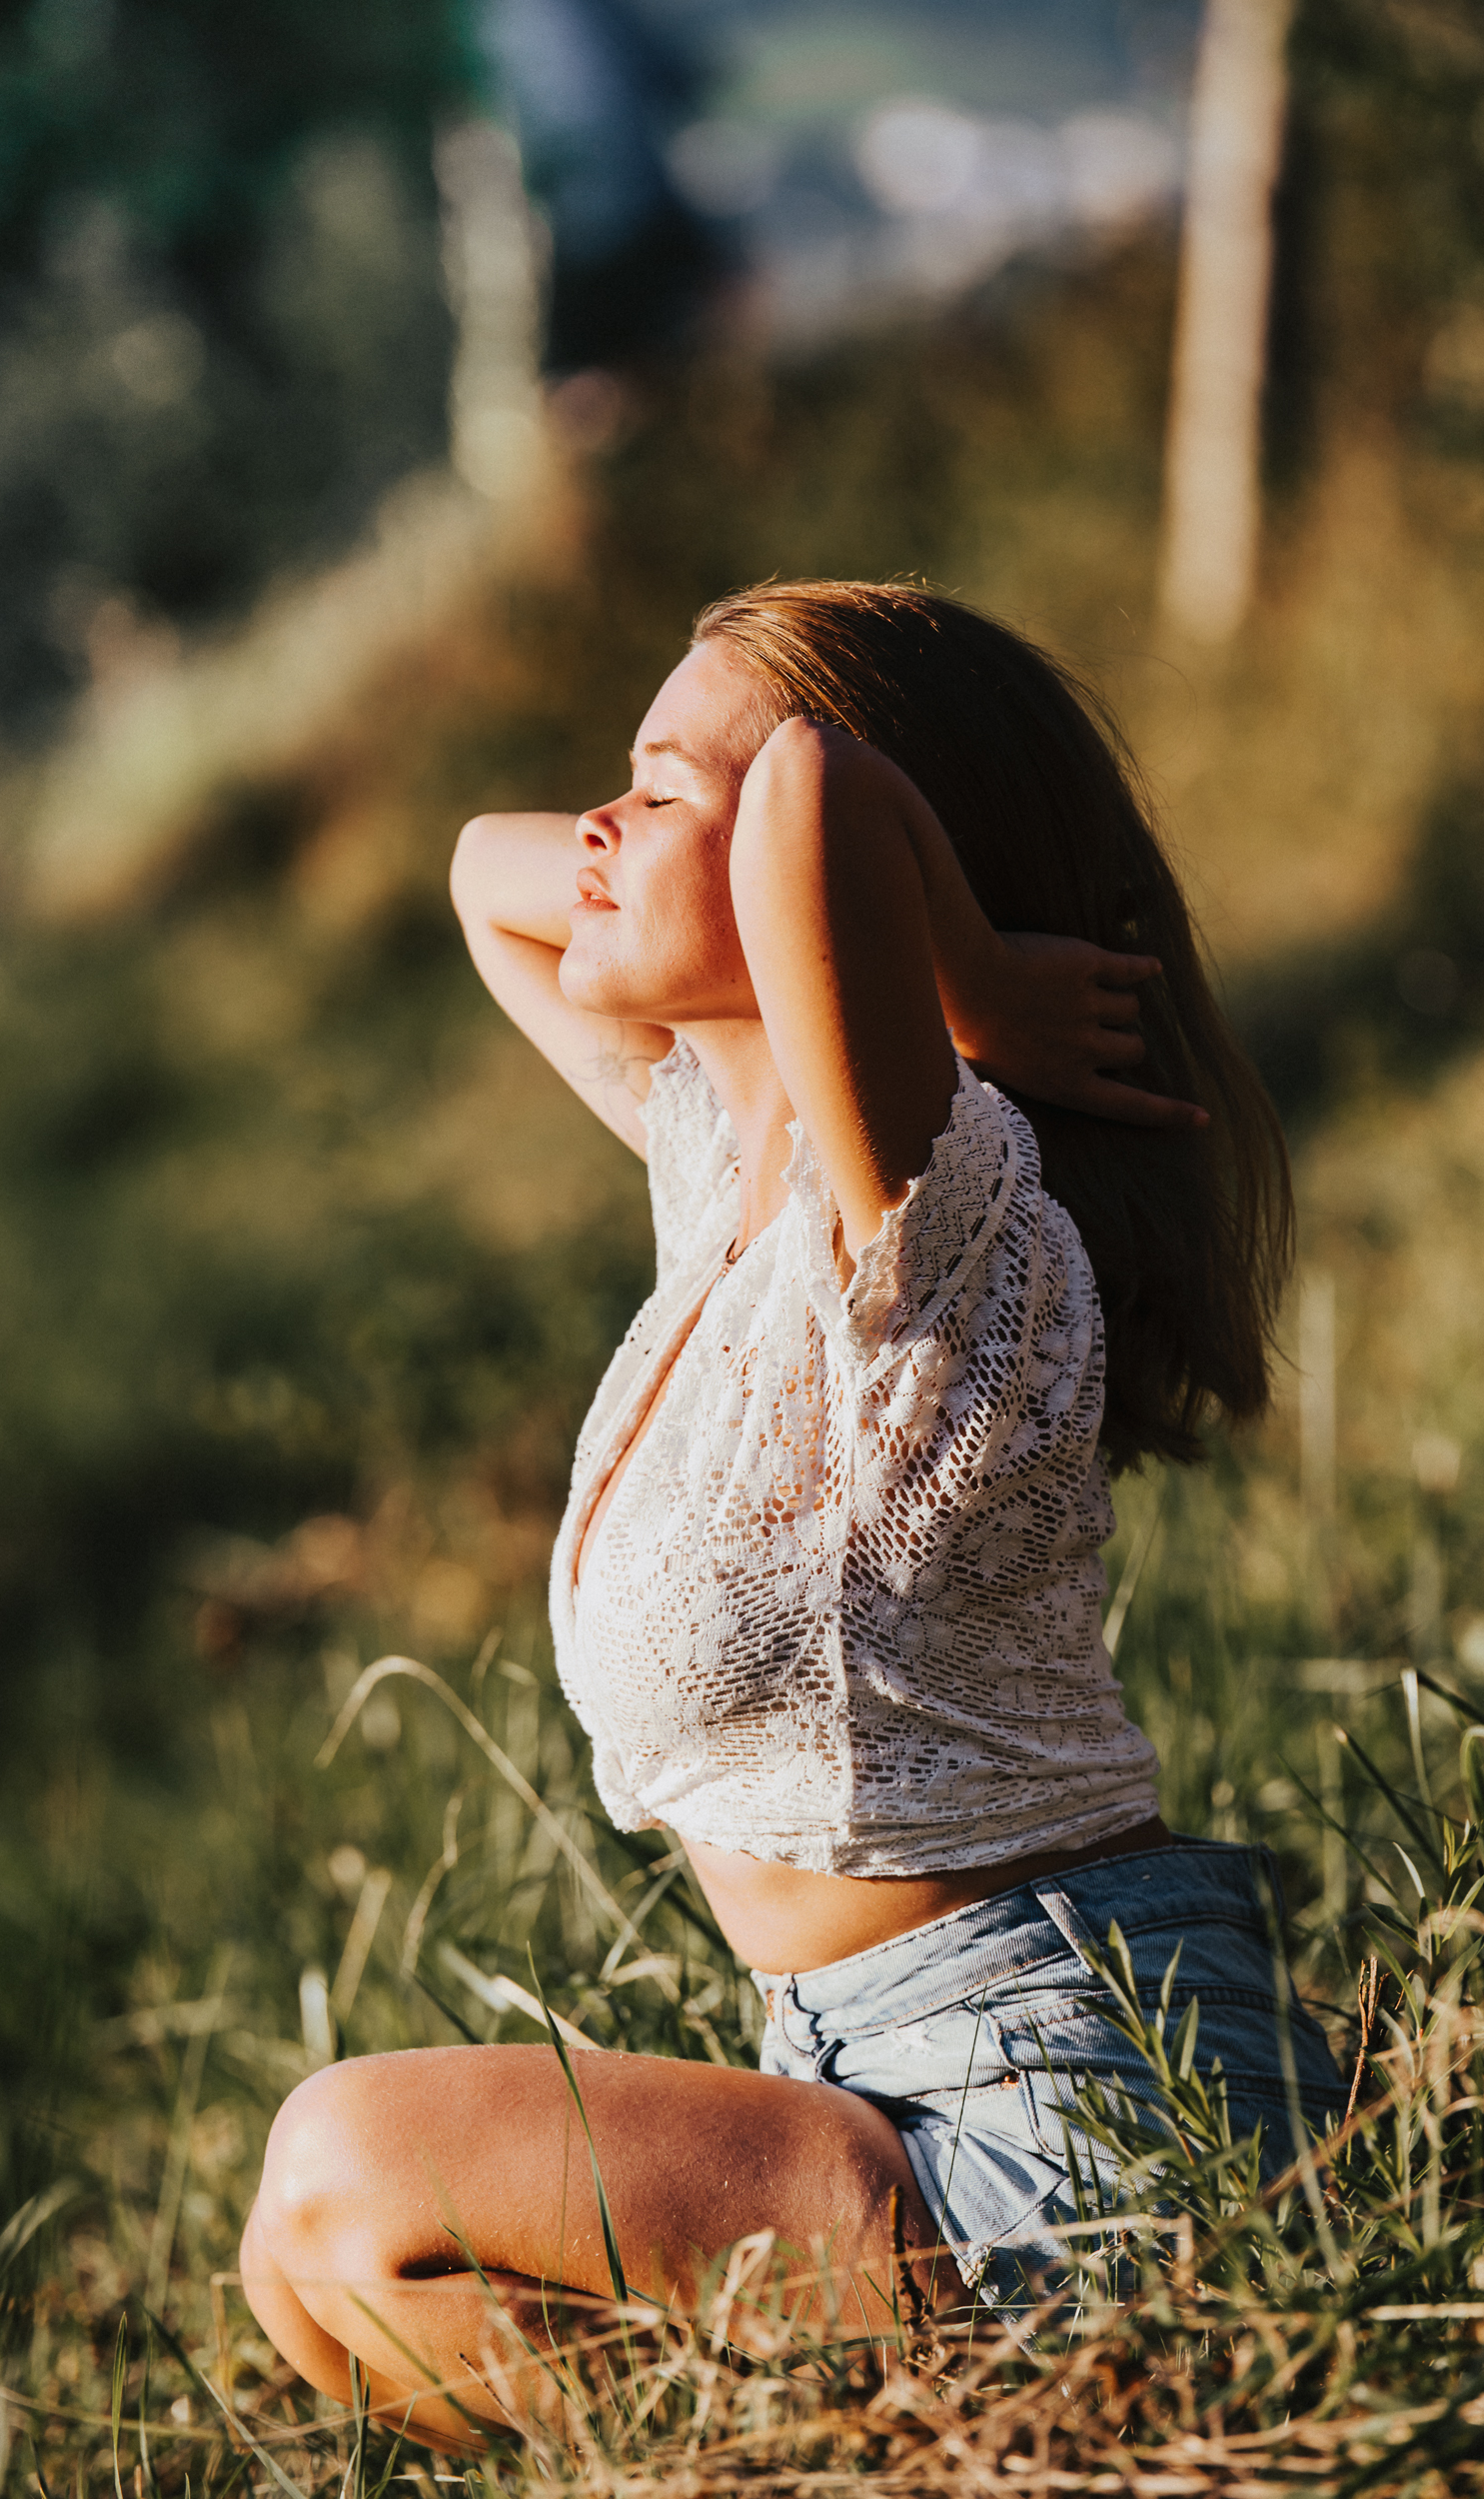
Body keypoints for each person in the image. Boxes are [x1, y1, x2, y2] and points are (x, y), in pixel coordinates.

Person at [239, 580, 1339, 2447]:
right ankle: (848, 2466)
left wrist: (962, 976)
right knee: (318, 2272)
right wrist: (681, 812)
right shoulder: (723, 1182)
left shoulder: (926, 1249)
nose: (598, 825)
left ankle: (935, 2440)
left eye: (660, 794)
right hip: (871, 2079)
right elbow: (476, 870)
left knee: (346, 2155)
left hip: (1062, 2102)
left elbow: (815, 775)